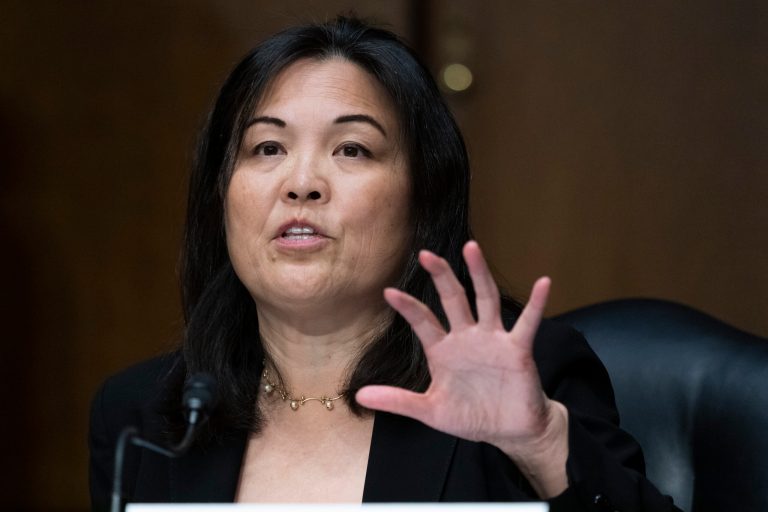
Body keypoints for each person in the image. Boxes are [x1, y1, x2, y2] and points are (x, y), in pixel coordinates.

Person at [89, 16, 680, 511]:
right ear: (221, 194)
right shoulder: (146, 413)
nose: (301, 184)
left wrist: (545, 446)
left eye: (353, 149)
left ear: (422, 196)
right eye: (267, 148)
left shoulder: (531, 376)